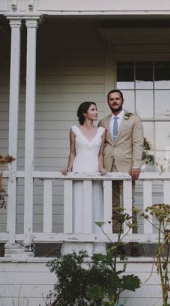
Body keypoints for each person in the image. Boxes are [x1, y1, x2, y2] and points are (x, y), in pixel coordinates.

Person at [98, 90, 143, 255]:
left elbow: (138, 143)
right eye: (111, 99)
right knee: (114, 206)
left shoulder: (133, 119)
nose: (114, 101)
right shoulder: (103, 121)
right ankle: (118, 243)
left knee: (129, 205)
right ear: (108, 102)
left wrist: (136, 165)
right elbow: (99, 146)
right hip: (108, 167)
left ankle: (134, 242)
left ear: (122, 100)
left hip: (127, 168)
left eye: (117, 99)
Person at [61, 101, 108, 255]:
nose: (96, 112)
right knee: (78, 203)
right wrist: (68, 168)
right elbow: (72, 152)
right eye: (93, 110)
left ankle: (95, 247)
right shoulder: (74, 130)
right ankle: (76, 246)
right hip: (79, 168)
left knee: (93, 203)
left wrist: (101, 168)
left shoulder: (102, 130)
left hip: (93, 169)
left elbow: (100, 154)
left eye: (96, 109)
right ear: (84, 113)